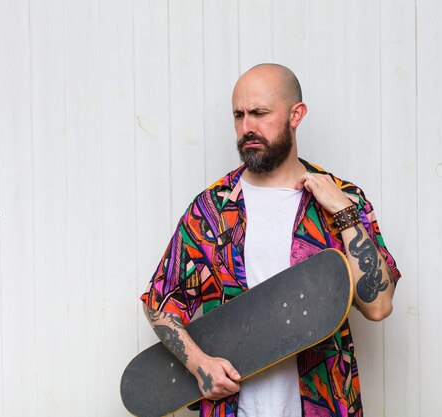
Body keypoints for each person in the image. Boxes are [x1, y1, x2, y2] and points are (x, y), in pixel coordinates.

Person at [141, 63, 401, 417]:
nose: (247, 127)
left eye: (260, 113)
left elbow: (379, 306)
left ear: (296, 114)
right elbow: (161, 302)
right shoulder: (212, 209)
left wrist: (343, 212)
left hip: (324, 404)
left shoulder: (343, 200)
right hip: (233, 408)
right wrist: (200, 365)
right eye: (238, 115)